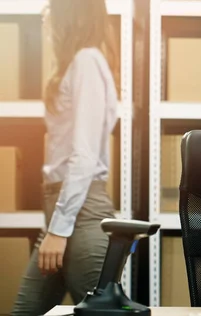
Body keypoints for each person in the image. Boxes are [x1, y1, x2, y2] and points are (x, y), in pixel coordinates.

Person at [11, 0, 120, 315]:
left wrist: (58, 230)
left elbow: (84, 156)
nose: (45, 16)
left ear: (71, 15)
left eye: (51, 9)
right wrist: (57, 224)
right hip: (63, 209)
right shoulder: (77, 63)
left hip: (80, 213)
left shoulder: (87, 61)